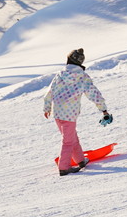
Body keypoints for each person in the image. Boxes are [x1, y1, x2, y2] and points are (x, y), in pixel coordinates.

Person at [43, 47, 111, 176]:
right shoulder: (82, 77)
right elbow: (94, 94)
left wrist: (47, 107)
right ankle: (64, 168)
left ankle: (80, 160)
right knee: (68, 141)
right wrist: (103, 109)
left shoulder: (60, 74)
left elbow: (49, 92)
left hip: (57, 113)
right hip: (70, 114)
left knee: (72, 138)